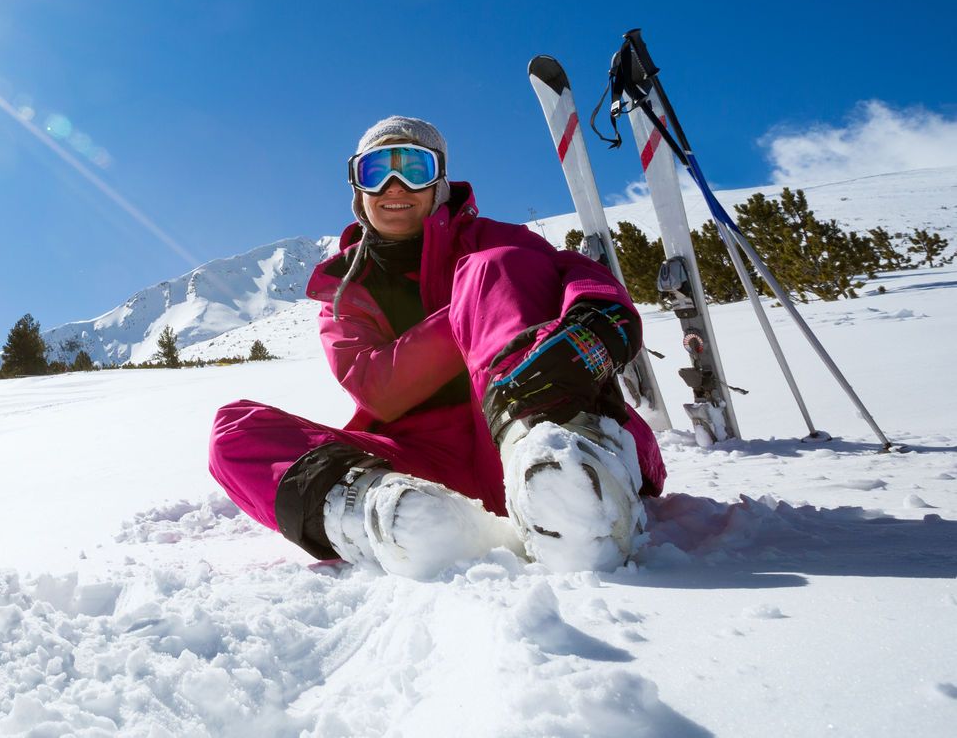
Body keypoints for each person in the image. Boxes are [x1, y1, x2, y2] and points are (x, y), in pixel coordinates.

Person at [209, 116, 666, 575]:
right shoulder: (345, 292)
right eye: (375, 172)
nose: (395, 185)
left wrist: (599, 313)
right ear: (357, 189)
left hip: (526, 426)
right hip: (426, 466)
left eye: (413, 167)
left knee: (494, 267)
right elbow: (377, 389)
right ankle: (391, 515)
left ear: (439, 183)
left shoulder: (493, 243)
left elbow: (577, 273)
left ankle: (568, 481)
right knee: (234, 433)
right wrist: (464, 314)